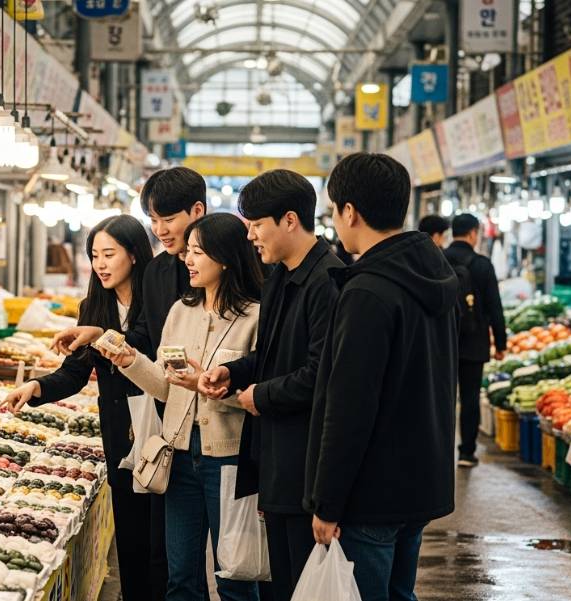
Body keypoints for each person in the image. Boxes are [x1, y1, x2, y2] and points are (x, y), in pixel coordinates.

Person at [305, 153, 458, 601]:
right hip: (419, 482)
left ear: (350, 211)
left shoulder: (367, 291)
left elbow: (350, 406)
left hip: (371, 492)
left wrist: (327, 502)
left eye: (334, 210)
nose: (335, 221)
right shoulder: (434, 275)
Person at [97, 213, 262, 601]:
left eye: (198, 252)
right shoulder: (180, 312)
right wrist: (131, 361)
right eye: (188, 251)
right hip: (180, 456)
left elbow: (257, 397)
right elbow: (164, 387)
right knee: (181, 577)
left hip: (229, 460)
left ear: (225, 257)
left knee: (235, 577)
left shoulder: (255, 317)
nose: (187, 259)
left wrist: (208, 387)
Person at [3, 215, 166, 601]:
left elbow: (142, 344)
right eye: (95, 255)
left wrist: (100, 335)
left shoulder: (158, 300)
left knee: (162, 549)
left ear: (134, 254)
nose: (100, 264)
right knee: (131, 545)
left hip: (161, 433)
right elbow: (75, 373)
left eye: (109, 254)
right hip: (120, 437)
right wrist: (36, 386)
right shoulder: (92, 305)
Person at [198, 169, 342, 601]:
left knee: (302, 585)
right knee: (278, 585)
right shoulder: (279, 275)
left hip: (305, 465)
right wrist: (235, 372)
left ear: (290, 220)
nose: (251, 236)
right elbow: (272, 356)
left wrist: (260, 395)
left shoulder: (328, 282)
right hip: (275, 461)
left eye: (257, 225)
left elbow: (322, 374)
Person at [51, 166, 207, 359]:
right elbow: (143, 341)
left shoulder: (224, 265)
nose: (160, 230)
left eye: (168, 219)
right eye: (154, 220)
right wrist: (100, 336)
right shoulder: (156, 271)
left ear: (197, 211)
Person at [444, 213, 507, 468]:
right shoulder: (482, 265)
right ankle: (466, 453)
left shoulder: (438, 259)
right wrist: (500, 344)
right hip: (474, 341)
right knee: (470, 397)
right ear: (473, 234)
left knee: (442, 397)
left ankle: (439, 451)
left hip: (442, 342)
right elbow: (495, 307)